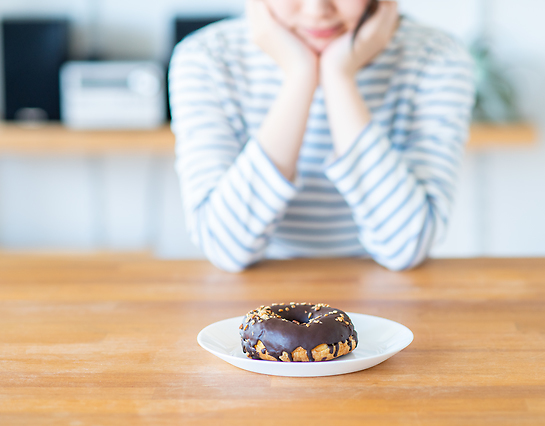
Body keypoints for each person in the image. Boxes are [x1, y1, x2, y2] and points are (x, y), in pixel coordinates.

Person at [168, 0, 475, 272]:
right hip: (255, 298)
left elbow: (406, 247)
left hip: (385, 293)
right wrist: (300, 77)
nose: (318, 9)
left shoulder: (438, 58)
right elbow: (226, 248)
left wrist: (339, 77)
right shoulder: (206, 58)